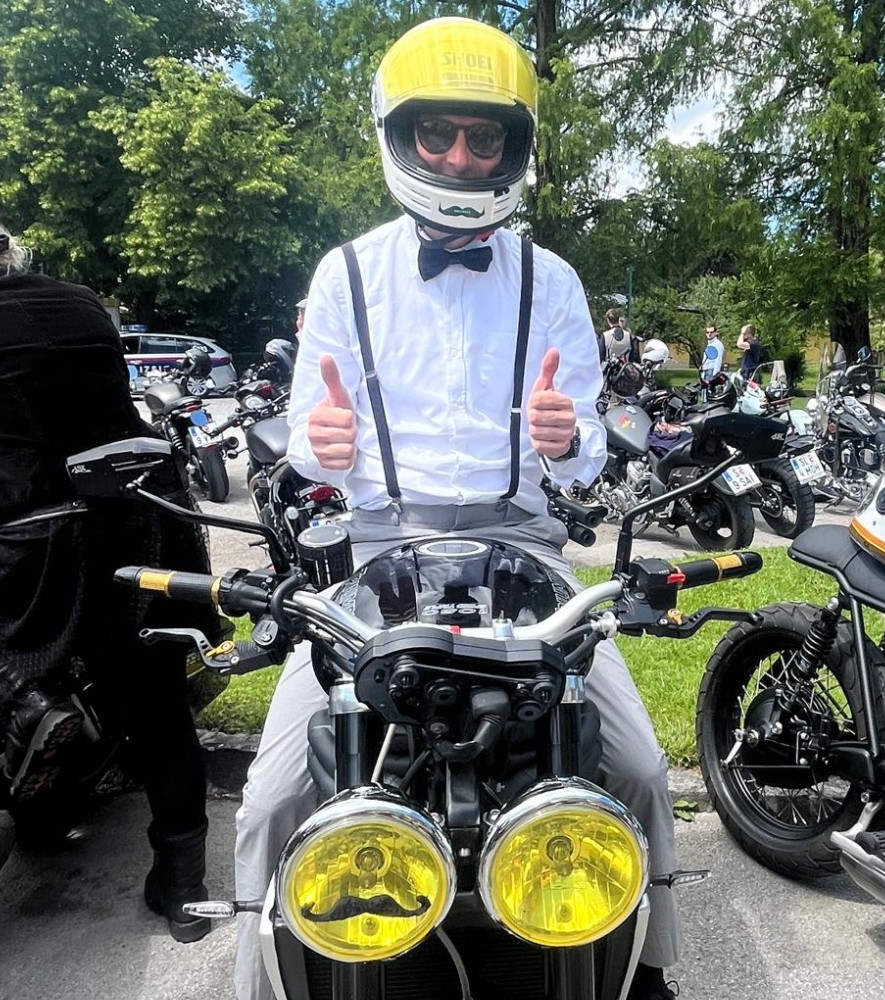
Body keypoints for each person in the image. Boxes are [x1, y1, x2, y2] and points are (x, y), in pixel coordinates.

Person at [233, 17, 680, 1000]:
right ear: (399, 135)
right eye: (436, 133)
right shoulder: (346, 272)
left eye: (484, 137)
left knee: (642, 770)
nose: (460, 157)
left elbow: (585, 458)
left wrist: (567, 437)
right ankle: (260, 982)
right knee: (270, 799)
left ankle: (648, 970)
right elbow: (306, 439)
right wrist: (320, 445)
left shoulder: (553, 279)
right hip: (378, 551)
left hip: (526, 548)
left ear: (515, 146)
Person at [0, 203, 222, 942]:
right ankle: (183, 887)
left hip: (31, 542)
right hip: (134, 520)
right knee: (155, 702)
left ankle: (27, 707)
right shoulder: (81, 303)